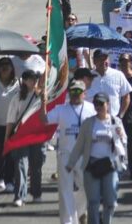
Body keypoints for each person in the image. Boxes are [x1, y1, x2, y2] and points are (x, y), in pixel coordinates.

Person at [40, 80, 96, 224]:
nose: (75, 94)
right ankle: (68, 221)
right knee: (65, 190)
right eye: (72, 91)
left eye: (78, 91)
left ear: (84, 93)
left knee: (87, 187)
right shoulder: (61, 109)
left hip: (85, 155)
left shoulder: (92, 109)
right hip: (66, 154)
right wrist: (42, 103)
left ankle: (81, 211)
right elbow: (44, 120)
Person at [66, 93, 127, 224]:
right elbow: (79, 145)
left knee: (110, 201)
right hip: (91, 165)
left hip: (110, 165)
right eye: (96, 104)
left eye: (101, 104)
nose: (98, 107)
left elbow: (124, 142)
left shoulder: (116, 122)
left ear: (108, 105)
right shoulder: (88, 123)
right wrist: (71, 163)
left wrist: (121, 136)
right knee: (93, 202)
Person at [6, 70, 46, 207]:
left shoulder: (42, 96)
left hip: (37, 135)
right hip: (21, 135)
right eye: (30, 79)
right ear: (24, 80)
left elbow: (46, 116)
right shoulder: (17, 97)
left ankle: (36, 193)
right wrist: (7, 138)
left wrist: (44, 99)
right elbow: (11, 119)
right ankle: (19, 195)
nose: (33, 81)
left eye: (35, 78)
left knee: (36, 166)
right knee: (20, 165)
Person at [0, 57, 19, 193]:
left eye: (7, 65)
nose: (5, 68)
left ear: (12, 68)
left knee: (11, 154)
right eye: (2, 66)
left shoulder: (19, 83)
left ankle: (9, 180)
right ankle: (0, 176)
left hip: (13, 125)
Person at [86, 50, 132, 120]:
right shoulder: (87, 76)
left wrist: (121, 115)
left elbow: (126, 96)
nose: (103, 62)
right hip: (91, 120)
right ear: (94, 61)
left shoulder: (118, 75)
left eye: (105, 59)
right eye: (100, 59)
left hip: (112, 119)